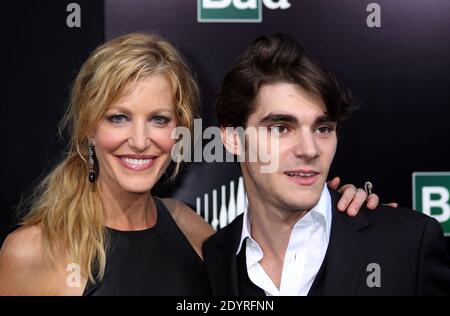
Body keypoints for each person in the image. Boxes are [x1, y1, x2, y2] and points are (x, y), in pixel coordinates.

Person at [0, 33, 379, 296]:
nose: (139, 139)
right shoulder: (33, 252)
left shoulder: (192, 231)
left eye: (159, 120)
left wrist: (337, 214)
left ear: (180, 132)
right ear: (88, 129)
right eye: (117, 117)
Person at [203, 33, 450, 296]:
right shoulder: (214, 259)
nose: (309, 150)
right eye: (281, 128)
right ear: (233, 139)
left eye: (322, 129)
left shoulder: (408, 244)